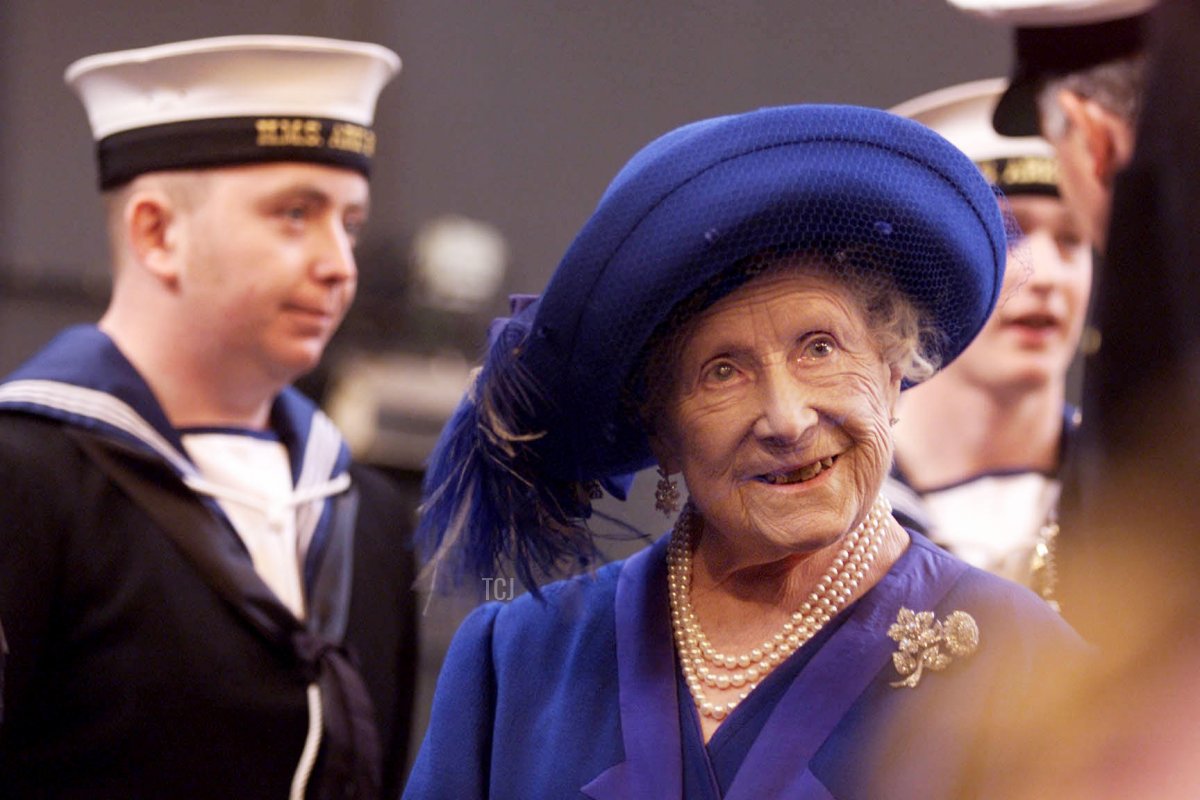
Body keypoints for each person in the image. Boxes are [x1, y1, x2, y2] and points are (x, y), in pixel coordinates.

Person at [402, 104, 1083, 799]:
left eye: (820, 348)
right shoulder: (518, 664)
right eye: (721, 371)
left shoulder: (1031, 667)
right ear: (660, 427)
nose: (786, 419)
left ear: (892, 368)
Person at [0, 36, 418, 799]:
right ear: (158, 233)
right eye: (295, 214)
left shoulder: (367, 512)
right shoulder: (25, 481)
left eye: (350, 224)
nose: (340, 264)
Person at [885, 78, 1093, 606]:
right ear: (920, 267)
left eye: (1072, 238)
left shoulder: (1150, 496)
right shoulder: (828, 515)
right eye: (1009, 232)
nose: (1046, 274)